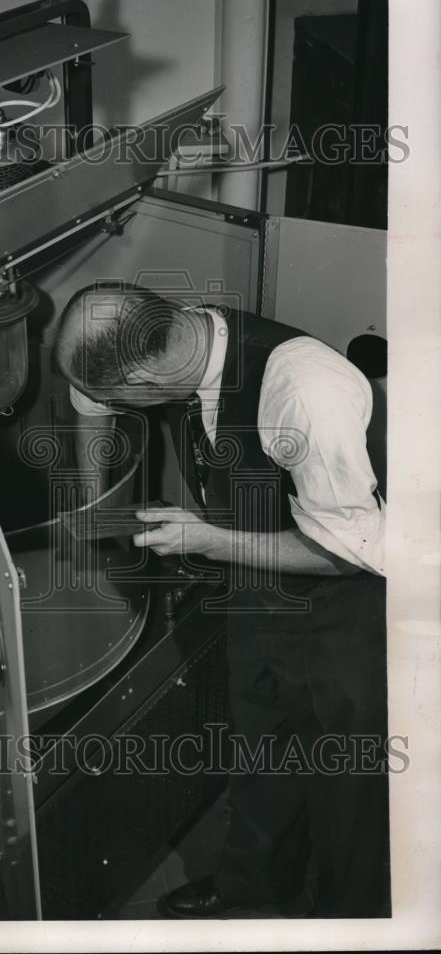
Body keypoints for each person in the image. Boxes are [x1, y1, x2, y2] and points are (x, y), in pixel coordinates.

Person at [51, 282, 389, 919]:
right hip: (255, 591)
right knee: (261, 756)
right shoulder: (169, 334)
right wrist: (98, 509)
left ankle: (353, 920)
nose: (112, 407)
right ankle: (252, 890)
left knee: (350, 792)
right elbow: (88, 400)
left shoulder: (304, 389)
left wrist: (207, 539)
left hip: (345, 608)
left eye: (125, 398)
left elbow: (357, 550)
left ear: (150, 373)